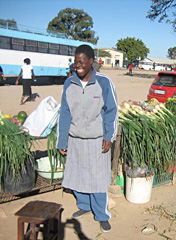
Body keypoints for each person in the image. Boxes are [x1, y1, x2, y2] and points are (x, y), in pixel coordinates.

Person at [57, 44, 118, 233]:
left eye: (82, 62)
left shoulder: (104, 82)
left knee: (98, 178)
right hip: (75, 138)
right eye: (76, 62)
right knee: (77, 174)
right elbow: (65, 113)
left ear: (92, 61)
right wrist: (62, 140)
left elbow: (112, 111)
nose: (78, 66)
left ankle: (101, 215)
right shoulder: (69, 83)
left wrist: (109, 136)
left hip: (96, 139)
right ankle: (84, 205)